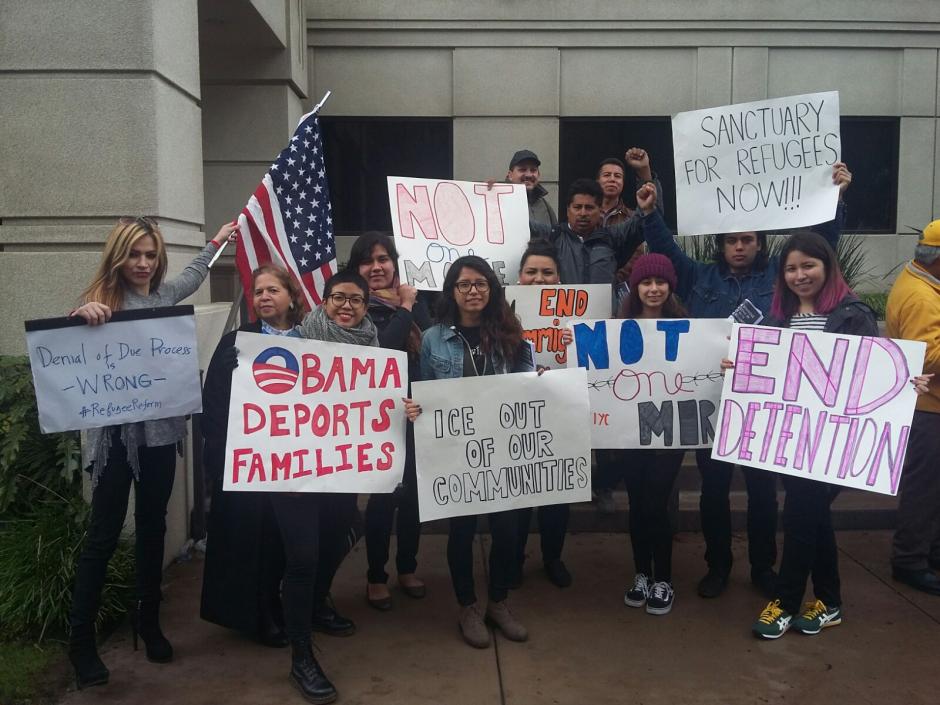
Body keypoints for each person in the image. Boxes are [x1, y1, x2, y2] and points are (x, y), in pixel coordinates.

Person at [638, 163, 853, 599]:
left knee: (761, 491)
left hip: (763, 401)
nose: (740, 247)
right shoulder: (701, 276)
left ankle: (761, 567)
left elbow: (821, 248)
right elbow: (665, 249)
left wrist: (836, 199)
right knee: (713, 489)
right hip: (711, 399)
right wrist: (649, 212)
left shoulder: (778, 275)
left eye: (748, 240)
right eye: (732, 240)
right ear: (721, 245)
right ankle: (717, 566)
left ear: (759, 244)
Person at [725, 231, 927, 639]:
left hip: (833, 445)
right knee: (813, 518)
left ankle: (784, 603)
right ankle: (830, 602)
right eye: (792, 268)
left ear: (827, 267)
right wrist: (740, 368)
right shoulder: (777, 315)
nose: (800, 275)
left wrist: (907, 380)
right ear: (782, 276)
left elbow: (872, 371)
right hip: (787, 442)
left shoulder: (853, 314)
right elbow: (768, 366)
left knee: (800, 514)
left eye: (808, 266)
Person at [66, 217, 237, 689]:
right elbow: (65, 356)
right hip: (116, 443)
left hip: (161, 437)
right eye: (135, 254)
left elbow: (194, 275)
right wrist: (80, 319)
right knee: (102, 535)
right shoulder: (97, 302)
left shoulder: (163, 296)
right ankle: (80, 641)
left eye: (150, 255)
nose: (143, 264)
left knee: (152, 527)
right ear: (118, 256)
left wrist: (217, 243)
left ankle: (147, 619)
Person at [417, 255, 535, 649]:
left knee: (507, 531)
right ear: (452, 290)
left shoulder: (509, 331)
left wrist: (542, 385)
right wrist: (417, 407)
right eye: (464, 284)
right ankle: (467, 606)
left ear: (492, 289)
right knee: (462, 532)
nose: (473, 291)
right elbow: (425, 388)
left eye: (481, 284)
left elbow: (524, 386)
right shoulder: (433, 338)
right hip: (455, 453)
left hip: (502, 452)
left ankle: (498, 602)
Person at [200, 265, 306, 650]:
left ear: (291, 296)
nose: (263, 297)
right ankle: (258, 612)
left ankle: (282, 604)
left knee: (286, 541)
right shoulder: (236, 343)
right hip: (249, 463)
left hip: (296, 463)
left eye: (272, 290)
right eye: (257, 291)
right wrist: (221, 459)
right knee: (253, 539)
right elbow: (212, 404)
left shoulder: (311, 341)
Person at [346, 232, 433, 610]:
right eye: (368, 261)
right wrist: (407, 307)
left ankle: (407, 567)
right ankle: (376, 576)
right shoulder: (354, 309)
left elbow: (431, 344)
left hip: (417, 413)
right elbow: (383, 351)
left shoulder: (415, 303)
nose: (377, 267)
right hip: (377, 420)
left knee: (414, 497)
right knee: (383, 499)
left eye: (383, 259)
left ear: (395, 264)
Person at [615, 254, 688, 616]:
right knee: (637, 504)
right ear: (636, 287)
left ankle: (664, 579)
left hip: (669, 433)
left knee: (656, 504)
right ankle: (641, 573)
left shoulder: (686, 327)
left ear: (670, 286)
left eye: (661, 282)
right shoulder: (618, 328)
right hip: (629, 432)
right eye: (646, 282)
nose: (654, 288)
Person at [513, 239, 573, 588]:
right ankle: (515, 556)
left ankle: (553, 557)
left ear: (559, 278)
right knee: (519, 492)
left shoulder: (581, 314)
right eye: (531, 272)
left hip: (561, 409)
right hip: (518, 413)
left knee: (557, 491)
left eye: (547, 272)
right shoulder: (502, 312)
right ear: (519, 277)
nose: (539, 279)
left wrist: (575, 344)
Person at [888, 219, 940, 596]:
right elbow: (928, 354)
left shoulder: (922, 284)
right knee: (924, 487)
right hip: (928, 407)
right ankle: (910, 561)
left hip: (929, 404)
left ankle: (928, 552)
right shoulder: (922, 297)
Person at [529, 176, 663, 292]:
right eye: (577, 207)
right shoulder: (552, 236)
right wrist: (514, 189)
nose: (582, 213)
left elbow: (646, 220)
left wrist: (646, 176)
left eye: (589, 208)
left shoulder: (612, 238)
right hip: (563, 319)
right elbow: (515, 223)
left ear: (599, 211)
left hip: (605, 320)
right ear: (568, 210)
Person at [506, 149, 557, 226]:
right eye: (522, 170)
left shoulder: (544, 205)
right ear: (510, 175)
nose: (528, 175)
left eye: (533, 170)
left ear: (538, 175)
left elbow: (556, 235)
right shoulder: (500, 202)